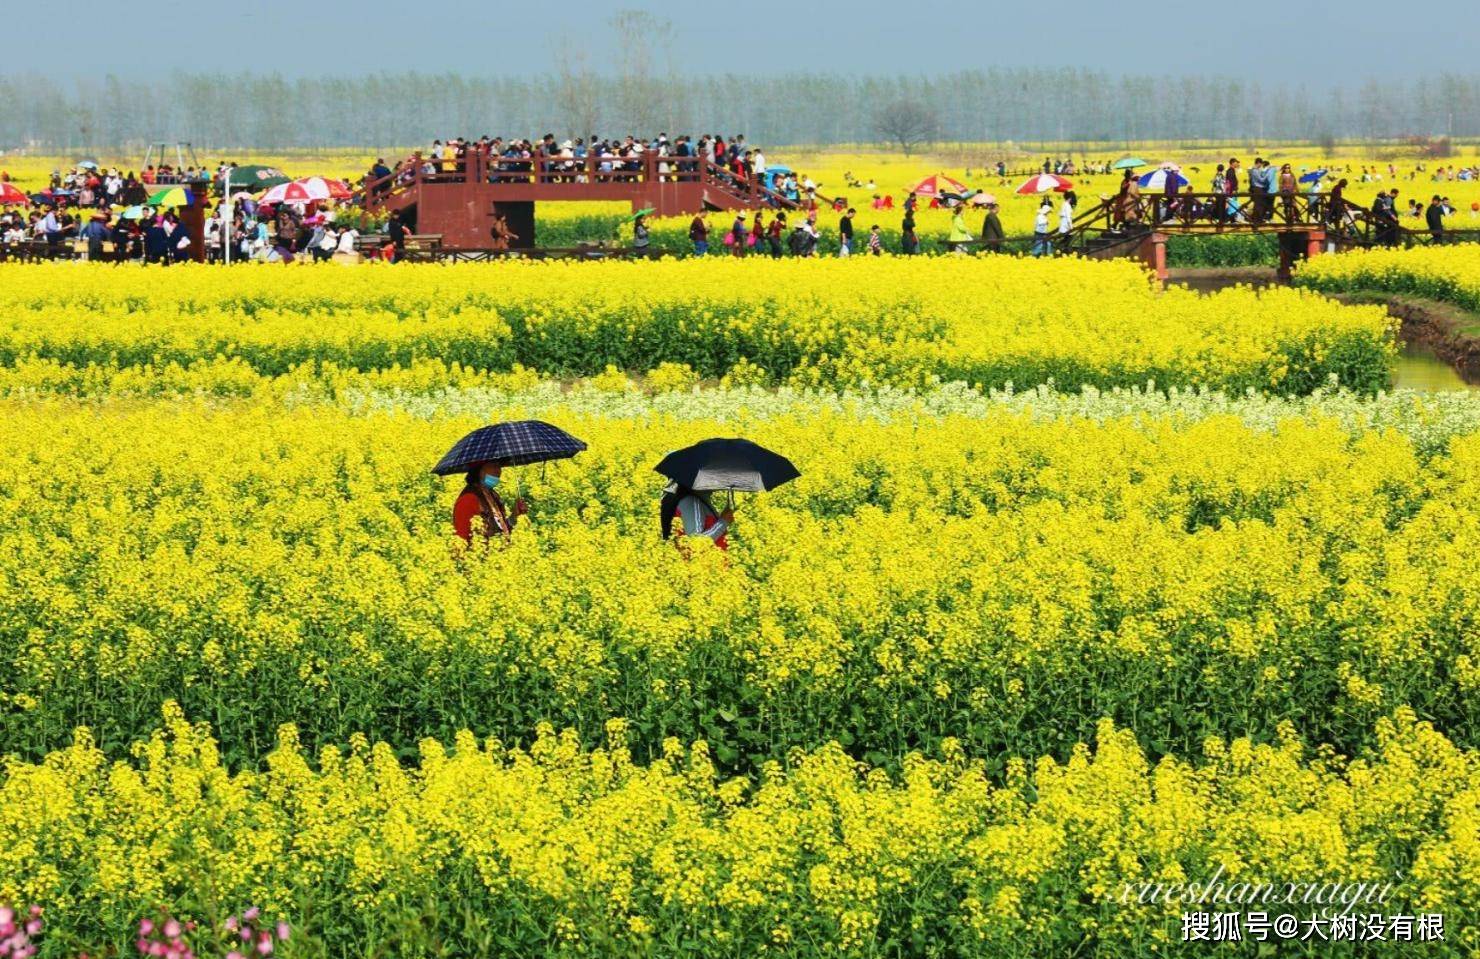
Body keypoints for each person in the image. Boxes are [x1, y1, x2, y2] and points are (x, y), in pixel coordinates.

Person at [452, 462, 527, 544]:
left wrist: (514, 516)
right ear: (479, 470)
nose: (498, 470)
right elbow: (461, 541)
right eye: (493, 465)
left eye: (499, 465)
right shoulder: (468, 499)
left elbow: (500, 530)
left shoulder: (493, 495)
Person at [660, 482, 732, 550]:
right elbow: (696, 542)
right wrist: (723, 522)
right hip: (702, 562)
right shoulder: (691, 503)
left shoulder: (700, 501)